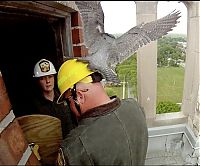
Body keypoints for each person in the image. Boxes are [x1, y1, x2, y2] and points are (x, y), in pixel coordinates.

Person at [56, 58, 148, 165]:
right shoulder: (135, 107)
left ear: (80, 96)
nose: (70, 107)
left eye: (68, 101)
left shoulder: (74, 147)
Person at [31, 58, 77, 139]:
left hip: (71, 142)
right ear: (38, 81)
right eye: (42, 78)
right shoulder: (35, 106)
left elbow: (75, 120)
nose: (47, 81)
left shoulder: (65, 97)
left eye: (50, 77)